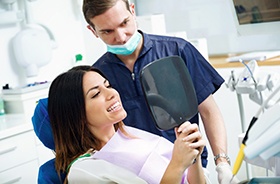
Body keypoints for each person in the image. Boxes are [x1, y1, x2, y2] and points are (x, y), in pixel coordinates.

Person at [82, 0, 239, 183]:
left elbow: (208, 111)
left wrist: (222, 162)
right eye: (107, 31)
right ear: (92, 31)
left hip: (191, 167)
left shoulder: (177, 51)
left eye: (124, 23)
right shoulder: (100, 78)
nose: (121, 37)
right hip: (139, 174)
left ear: (132, 10)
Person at [48, 65, 207, 184]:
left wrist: (193, 157)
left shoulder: (132, 135)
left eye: (108, 85)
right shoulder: (83, 171)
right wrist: (178, 164)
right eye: (96, 94)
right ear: (76, 114)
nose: (112, 94)